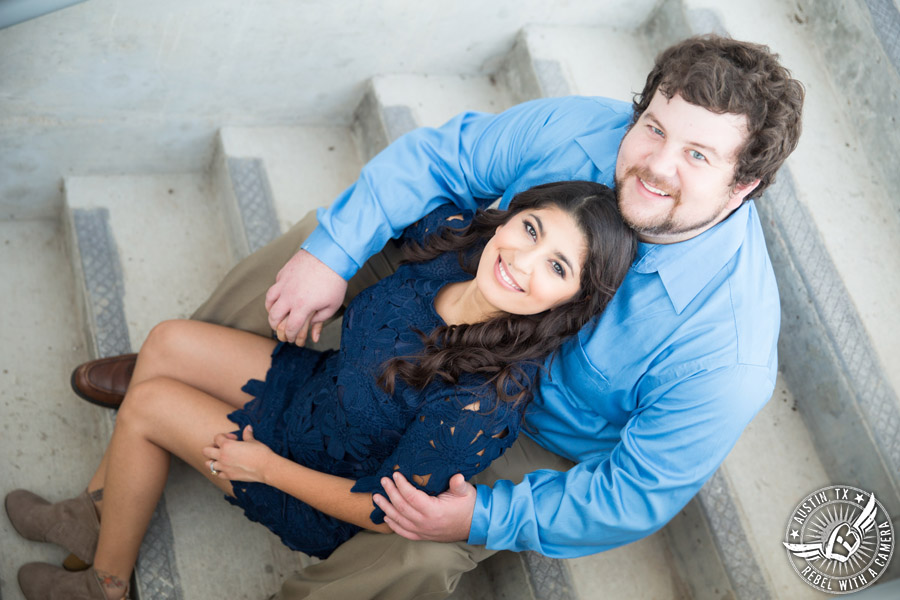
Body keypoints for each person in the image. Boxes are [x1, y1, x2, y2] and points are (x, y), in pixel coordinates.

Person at [66, 34, 804, 599]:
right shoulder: (584, 129)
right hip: (473, 285)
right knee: (328, 240)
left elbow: (635, 495)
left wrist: (485, 520)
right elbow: (440, 160)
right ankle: (190, 367)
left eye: (698, 156)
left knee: (419, 545)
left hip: (533, 422)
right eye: (653, 127)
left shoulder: (726, 351)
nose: (653, 163)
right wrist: (334, 253)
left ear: (744, 184)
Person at [6, 182, 636, 600]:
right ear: (511, 215)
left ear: (571, 302)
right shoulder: (458, 244)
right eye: (531, 229)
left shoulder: (484, 398)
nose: (523, 261)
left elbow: (382, 512)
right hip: (316, 392)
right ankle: (93, 514)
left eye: (557, 266)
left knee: (148, 403)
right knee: (169, 341)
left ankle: (105, 584)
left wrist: (268, 468)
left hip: (318, 479)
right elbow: (388, 199)